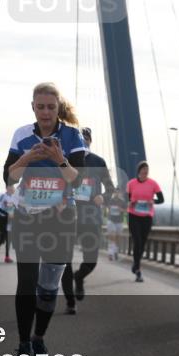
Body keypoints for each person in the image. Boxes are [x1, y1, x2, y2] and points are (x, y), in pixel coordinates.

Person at [3, 82, 86, 356]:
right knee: (26, 282)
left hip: (61, 218)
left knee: (49, 286)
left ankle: (39, 337)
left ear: (58, 108)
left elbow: (79, 181)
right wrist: (27, 157)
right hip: (28, 216)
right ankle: (24, 344)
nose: (46, 112)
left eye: (51, 107)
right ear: (33, 107)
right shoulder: (22, 135)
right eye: (41, 107)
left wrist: (59, 159)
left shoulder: (73, 136)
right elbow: (10, 177)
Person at [62, 126, 115, 314]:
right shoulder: (65, 161)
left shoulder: (99, 162)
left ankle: (80, 277)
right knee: (64, 260)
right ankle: (70, 302)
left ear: (90, 141)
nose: (83, 141)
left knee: (91, 261)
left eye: (86, 139)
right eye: (79, 138)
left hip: (91, 218)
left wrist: (104, 197)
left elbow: (110, 189)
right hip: (68, 217)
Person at [126, 161, 163, 282]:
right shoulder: (131, 183)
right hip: (133, 215)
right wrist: (131, 202)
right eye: (143, 171)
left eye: (147, 172)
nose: (145, 173)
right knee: (137, 241)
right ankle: (138, 270)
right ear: (139, 172)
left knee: (142, 244)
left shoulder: (153, 184)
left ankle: (135, 265)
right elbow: (127, 199)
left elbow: (161, 199)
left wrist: (153, 201)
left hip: (147, 217)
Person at [0, 184, 17, 263]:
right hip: (3, 219)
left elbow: (15, 208)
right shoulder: (3, 196)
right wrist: (7, 214)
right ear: (7, 188)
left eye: (13, 187)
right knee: (3, 237)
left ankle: (6, 256)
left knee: (8, 239)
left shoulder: (14, 198)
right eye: (11, 187)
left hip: (10, 220)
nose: (13, 188)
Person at [104, 189, 126, 260]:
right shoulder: (110, 201)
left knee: (118, 238)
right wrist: (108, 209)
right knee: (112, 237)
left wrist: (121, 210)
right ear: (113, 193)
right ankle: (110, 253)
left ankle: (116, 252)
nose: (116, 194)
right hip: (111, 220)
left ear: (120, 193)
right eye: (115, 192)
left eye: (118, 192)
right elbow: (105, 209)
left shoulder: (122, 201)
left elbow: (126, 210)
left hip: (119, 221)